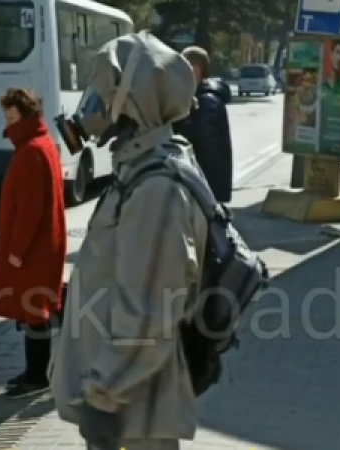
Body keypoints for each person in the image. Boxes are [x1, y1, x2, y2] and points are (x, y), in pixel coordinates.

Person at [49, 31, 207, 450]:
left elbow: (151, 309)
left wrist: (104, 397)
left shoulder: (157, 187)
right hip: (124, 401)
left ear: (132, 97)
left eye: (102, 87)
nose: (91, 100)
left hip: (133, 411)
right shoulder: (139, 167)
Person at [0, 87, 67, 399]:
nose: (7, 126)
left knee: (35, 311)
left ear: (27, 116)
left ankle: (37, 376)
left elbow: (30, 210)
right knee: (33, 310)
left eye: (11, 118)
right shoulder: (40, 144)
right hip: (41, 247)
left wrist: (16, 252)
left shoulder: (31, 151)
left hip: (32, 251)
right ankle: (33, 372)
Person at [174, 46, 234, 203]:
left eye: (182, 68)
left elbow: (210, 154)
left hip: (204, 192)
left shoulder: (207, 103)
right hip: (201, 190)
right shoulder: (200, 99)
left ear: (195, 70)